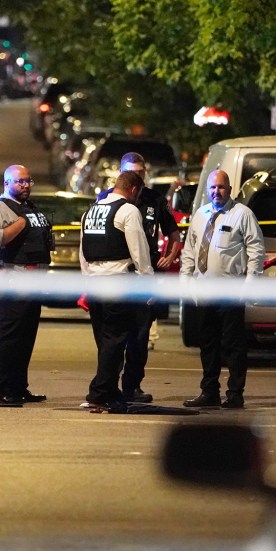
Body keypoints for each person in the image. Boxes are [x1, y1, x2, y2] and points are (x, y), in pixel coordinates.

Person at [179, 168, 265, 408]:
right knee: (208, 344)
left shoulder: (242, 214)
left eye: (222, 187)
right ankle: (209, 392)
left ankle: (235, 394)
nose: (217, 192)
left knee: (233, 345)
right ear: (207, 190)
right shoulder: (200, 215)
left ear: (229, 188)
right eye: (213, 188)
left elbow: (256, 250)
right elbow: (189, 250)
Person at [109, 152, 181, 402]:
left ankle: (132, 386)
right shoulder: (110, 198)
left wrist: (170, 256)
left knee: (140, 336)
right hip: (119, 274)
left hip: (146, 274)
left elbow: (173, 234)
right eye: (133, 172)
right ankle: (109, 385)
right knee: (116, 336)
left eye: (141, 172)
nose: (138, 177)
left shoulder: (154, 200)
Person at [80, 170, 155, 411]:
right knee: (115, 340)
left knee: (104, 341)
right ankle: (100, 392)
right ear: (134, 189)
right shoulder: (128, 211)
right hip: (117, 283)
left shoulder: (92, 210)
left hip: (93, 282)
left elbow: (84, 251)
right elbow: (139, 251)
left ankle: (109, 390)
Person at [0, 164, 52, 405]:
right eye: (20, 181)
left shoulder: (28, 208)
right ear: (7, 183)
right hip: (11, 283)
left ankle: (17, 387)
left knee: (25, 339)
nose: (25, 185)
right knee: (7, 339)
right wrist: (20, 224)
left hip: (33, 284)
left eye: (28, 181)